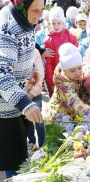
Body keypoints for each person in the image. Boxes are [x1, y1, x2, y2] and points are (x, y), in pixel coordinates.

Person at [0, 0, 44, 178]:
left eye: (42, 9)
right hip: (5, 107)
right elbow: (2, 74)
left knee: (16, 154)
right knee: (14, 161)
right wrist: (26, 104)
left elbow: (20, 49)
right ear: (22, 6)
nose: (40, 15)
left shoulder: (25, 18)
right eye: (35, 10)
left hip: (16, 101)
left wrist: (30, 68)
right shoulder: (7, 28)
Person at [45, 43, 90, 122]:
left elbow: (80, 92)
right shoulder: (63, 84)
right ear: (64, 70)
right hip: (58, 118)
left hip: (70, 114)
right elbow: (74, 101)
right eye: (72, 71)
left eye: (79, 68)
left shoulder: (74, 77)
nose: (78, 73)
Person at [44, 6, 79, 98]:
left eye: (59, 23)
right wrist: (51, 82)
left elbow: (77, 57)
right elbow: (49, 64)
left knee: (72, 100)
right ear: (49, 23)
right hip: (56, 77)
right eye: (53, 23)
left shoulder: (71, 38)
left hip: (70, 76)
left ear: (63, 22)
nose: (56, 26)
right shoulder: (48, 40)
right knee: (56, 102)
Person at [26, 49, 45, 150]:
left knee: (39, 120)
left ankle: (42, 144)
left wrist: (32, 93)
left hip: (35, 94)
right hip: (24, 95)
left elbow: (40, 74)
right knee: (28, 120)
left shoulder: (35, 52)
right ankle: (32, 143)